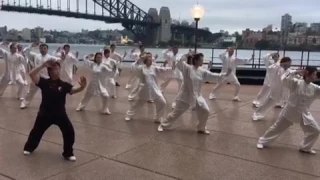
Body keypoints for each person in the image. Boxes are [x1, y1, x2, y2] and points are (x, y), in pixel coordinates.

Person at [23, 60, 87, 161]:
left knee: (69, 132)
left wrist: (82, 87)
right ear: (50, 71)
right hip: (44, 114)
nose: (58, 71)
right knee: (36, 132)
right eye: (55, 69)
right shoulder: (44, 82)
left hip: (60, 114)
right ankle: (29, 148)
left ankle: (68, 153)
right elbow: (32, 74)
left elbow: (73, 90)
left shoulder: (64, 84)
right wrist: (43, 65)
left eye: (59, 69)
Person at [158, 53, 231, 134]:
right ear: (195, 60)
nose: (202, 61)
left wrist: (226, 74)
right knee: (175, 114)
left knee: (205, 110)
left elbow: (213, 76)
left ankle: (201, 128)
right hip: (185, 96)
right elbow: (179, 62)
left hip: (197, 96)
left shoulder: (202, 71)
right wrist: (187, 54)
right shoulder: (187, 68)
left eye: (202, 60)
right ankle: (163, 125)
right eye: (201, 60)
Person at [257, 66, 320, 154]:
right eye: (314, 74)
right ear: (307, 73)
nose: (315, 76)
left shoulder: (315, 88)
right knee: (276, 128)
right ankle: (262, 141)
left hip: (304, 114)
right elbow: (284, 79)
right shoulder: (297, 83)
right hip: (290, 112)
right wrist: (295, 72)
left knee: (315, 130)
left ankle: (305, 147)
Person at [125, 52, 174, 122]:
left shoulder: (154, 68)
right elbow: (134, 66)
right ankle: (128, 115)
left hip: (154, 89)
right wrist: (141, 58)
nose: (151, 61)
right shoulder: (141, 68)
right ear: (145, 61)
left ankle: (158, 118)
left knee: (162, 102)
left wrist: (171, 68)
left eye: (151, 60)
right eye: (149, 60)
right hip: (145, 90)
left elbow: (163, 70)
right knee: (138, 104)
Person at [20, 43, 64, 109]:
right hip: (37, 77)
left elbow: (59, 60)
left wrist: (63, 57)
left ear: (47, 49)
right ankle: (24, 103)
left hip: (47, 78)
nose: (43, 50)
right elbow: (26, 51)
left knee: (50, 92)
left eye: (44, 48)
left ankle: (51, 105)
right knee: (31, 91)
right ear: (39, 49)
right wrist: (31, 46)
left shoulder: (51, 58)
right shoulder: (36, 55)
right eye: (41, 48)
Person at [252, 57, 292, 121]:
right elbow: (270, 68)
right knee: (267, 103)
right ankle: (257, 114)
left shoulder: (289, 71)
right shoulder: (277, 68)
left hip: (285, 91)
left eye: (290, 63)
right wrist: (280, 64)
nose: (290, 64)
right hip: (276, 90)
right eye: (289, 63)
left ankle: (286, 117)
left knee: (289, 104)